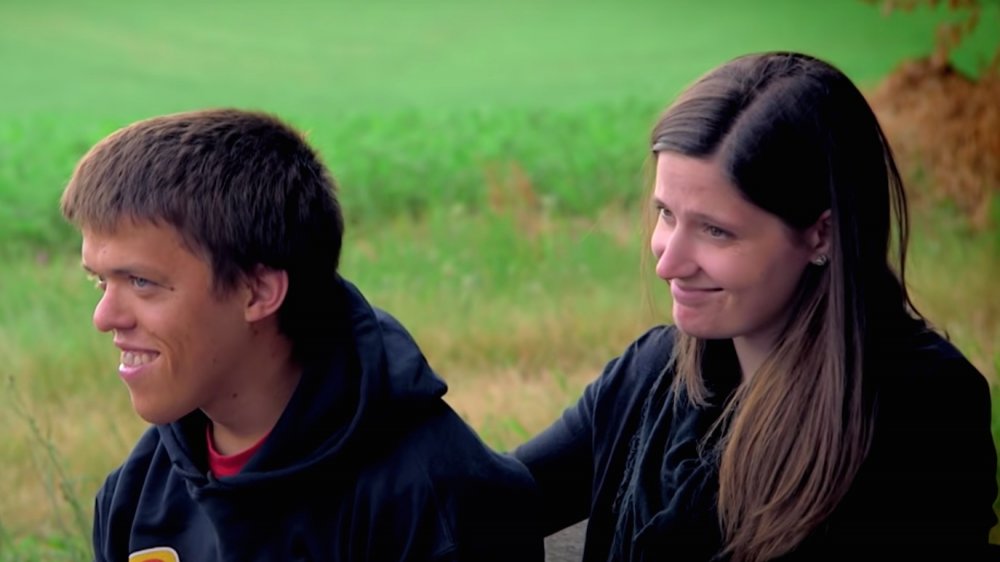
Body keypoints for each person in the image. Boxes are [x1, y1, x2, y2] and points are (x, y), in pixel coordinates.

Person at [514, 51, 998, 561]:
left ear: (821, 233)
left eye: (715, 230)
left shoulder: (920, 413)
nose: (668, 263)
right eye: (666, 214)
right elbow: (485, 503)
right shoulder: (653, 372)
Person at [61, 108, 543, 562]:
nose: (104, 317)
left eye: (141, 282)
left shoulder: (433, 500)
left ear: (258, 291)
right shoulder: (136, 492)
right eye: (100, 281)